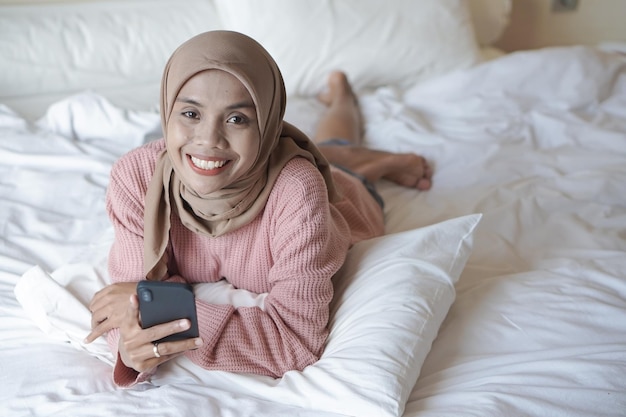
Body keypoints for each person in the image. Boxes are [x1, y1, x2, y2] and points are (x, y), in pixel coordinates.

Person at [85, 30, 432, 387]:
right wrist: (130, 352)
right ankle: (342, 149)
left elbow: (295, 341)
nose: (208, 139)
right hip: (248, 164)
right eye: (190, 113)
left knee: (337, 152)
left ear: (266, 123)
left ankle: (348, 115)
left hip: (347, 200)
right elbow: (124, 310)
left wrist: (171, 315)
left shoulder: (299, 189)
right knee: (322, 149)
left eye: (237, 119)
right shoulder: (137, 177)